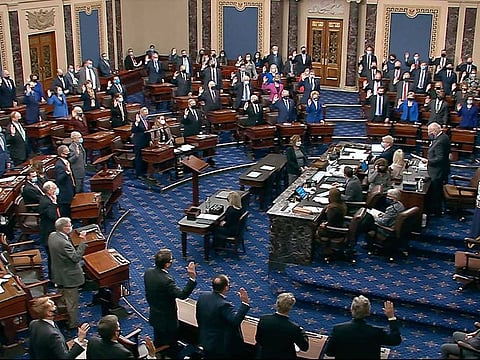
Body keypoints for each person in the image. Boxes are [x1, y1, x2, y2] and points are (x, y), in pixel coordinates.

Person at [144, 249, 197, 353]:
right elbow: (182, 295)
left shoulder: (148, 272)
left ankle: (159, 348)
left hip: (155, 314)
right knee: (171, 343)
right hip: (167, 319)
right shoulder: (167, 280)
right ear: (167, 264)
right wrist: (192, 278)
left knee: (158, 337)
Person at [325, 295, 401, 359]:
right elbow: (396, 340)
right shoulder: (376, 332)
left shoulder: (338, 329)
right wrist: (391, 317)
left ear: (351, 309)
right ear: (368, 312)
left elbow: (329, 352)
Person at [196, 274, 250, 358]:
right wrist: (245, 303)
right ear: (226, 288)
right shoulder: (224, 305)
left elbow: (198, 316)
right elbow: (235, 321)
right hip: (219, 345)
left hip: (204, 338)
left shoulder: (203, 296)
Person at [48, 217, 88, 330]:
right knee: (72, 302)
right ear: (65, 228)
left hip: (59, 274)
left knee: (62, 297)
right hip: (69, 277)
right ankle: (72, 323)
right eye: (70, 225)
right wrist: (83, 242)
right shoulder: (63, 243)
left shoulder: (52, 236)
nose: (72, 226)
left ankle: (63, 315)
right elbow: (76, 258)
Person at [255, 292, 309, 359]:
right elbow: (304, 347)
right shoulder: (294, 328)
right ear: (291, 307)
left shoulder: (264, 319)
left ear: (277, 304)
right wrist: (303, 333)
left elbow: (258, 339)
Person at [424, 122, 450, 217]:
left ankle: (435, 211)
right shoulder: (443, 137)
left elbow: (440, 158)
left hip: (437, 171)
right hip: (440, 169)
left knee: (436, 191)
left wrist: (428, 161)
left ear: (434, 131)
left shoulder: (440, 141)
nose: (428, 133)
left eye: (429, 131)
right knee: (436, 190)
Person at [55, 145, 75, 217]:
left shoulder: (66, 161)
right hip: (65, 191)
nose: (69, 153)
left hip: (70, 188)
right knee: (65, 210)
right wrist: (66, 173)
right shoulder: (59, 165)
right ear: (62, 154)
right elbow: (59, 179)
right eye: (67, 152)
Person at [131, 107, 151, 179]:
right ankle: (139, 174)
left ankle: (144, 172)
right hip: (139, 142)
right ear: (141, 113)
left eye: (147, 113)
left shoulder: (147, 120)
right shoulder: (137, 121)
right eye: (145, 113)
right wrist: (136, 122)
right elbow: (133, 130)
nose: (146, 115)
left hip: (146, 141)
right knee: (139, 158)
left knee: (145, 157)